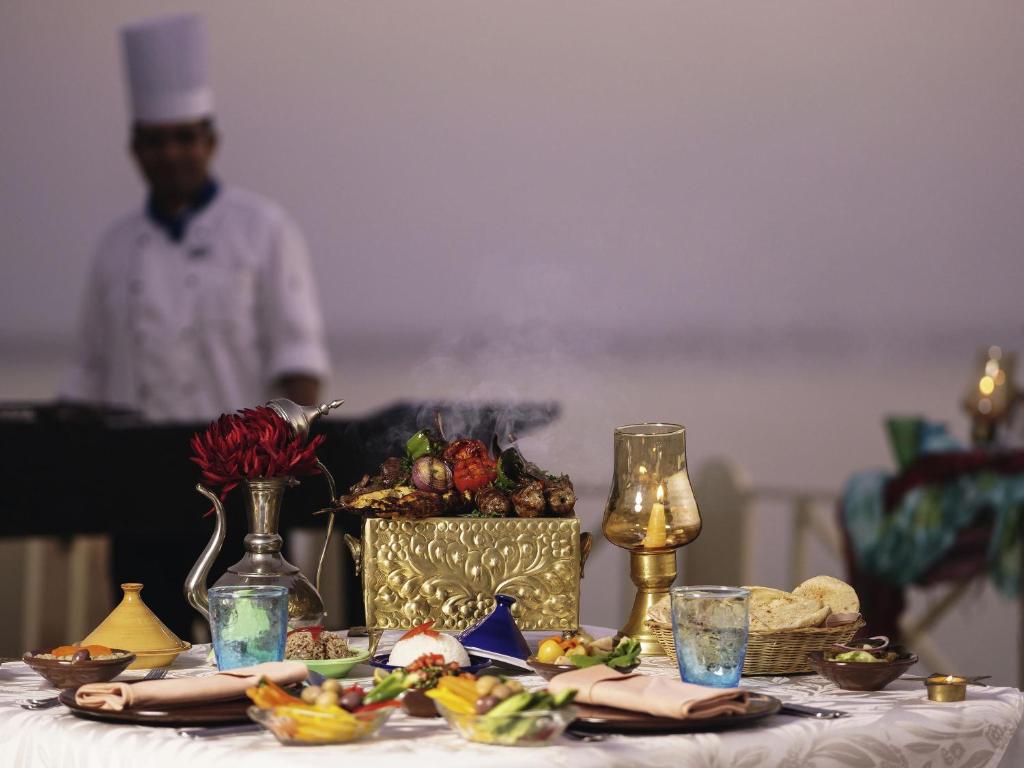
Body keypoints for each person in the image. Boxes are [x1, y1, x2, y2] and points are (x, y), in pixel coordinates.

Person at [61, 14, 329, 420]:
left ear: (211, 142)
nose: (170, 154)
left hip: (237, 455)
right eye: (155, 141)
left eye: (184, 138)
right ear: (135, 150)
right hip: (129, 455)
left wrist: (289, 451)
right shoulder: (114, 246)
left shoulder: (265, 230)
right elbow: (87, 376)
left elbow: (299, 362)